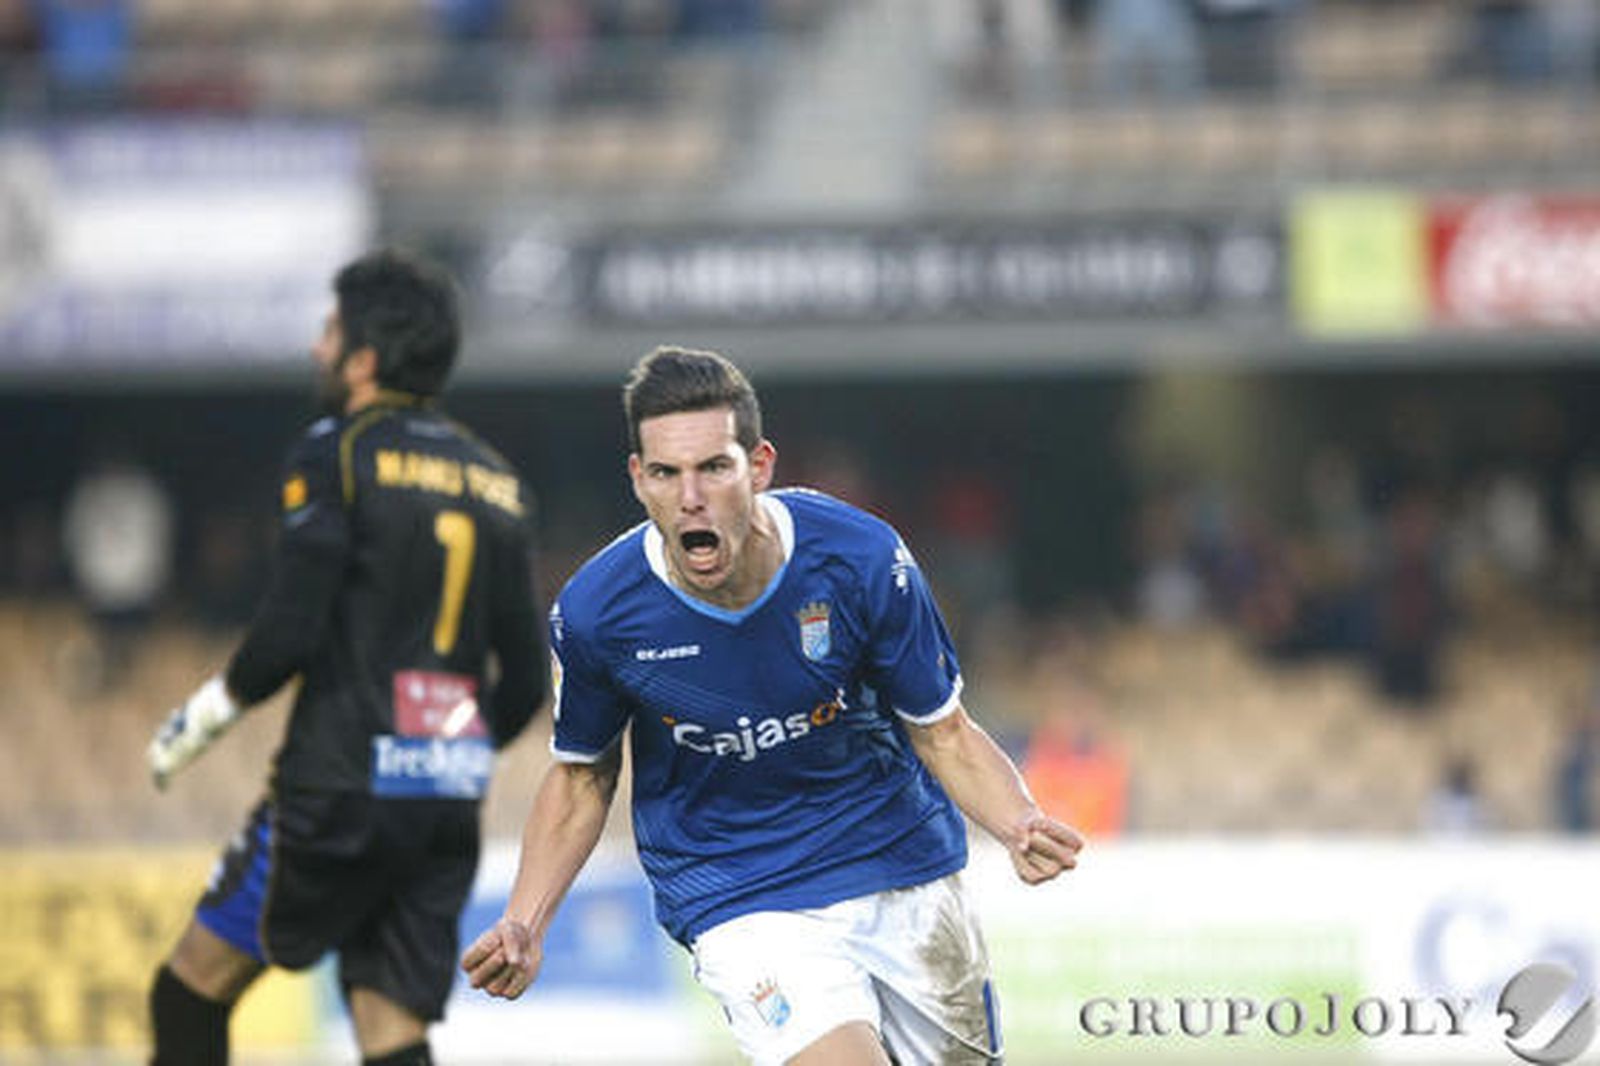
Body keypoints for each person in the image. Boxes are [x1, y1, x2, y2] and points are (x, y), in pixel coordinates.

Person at [462, 347, 1083, 1065]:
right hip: (740, 893)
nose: (690, 496)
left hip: (900, 865)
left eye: (713, 468)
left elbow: (941, 731)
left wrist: (1017, 821)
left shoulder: (859, 559)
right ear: (639, 479)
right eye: (666, 472)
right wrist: (525, 921)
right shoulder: (600, 612)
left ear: (758, 466)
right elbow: (581, 778)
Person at [145, 249, 547, 1066]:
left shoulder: (335, 453)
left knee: (187, 989)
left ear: (363, 359)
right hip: (438, 804)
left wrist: (198, 722)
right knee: (390, 1030)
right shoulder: (499, 482)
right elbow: (527, 683)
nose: (317, 349)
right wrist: (446, 751)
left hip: (333, 795)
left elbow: (290, 630)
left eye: (329, 332)